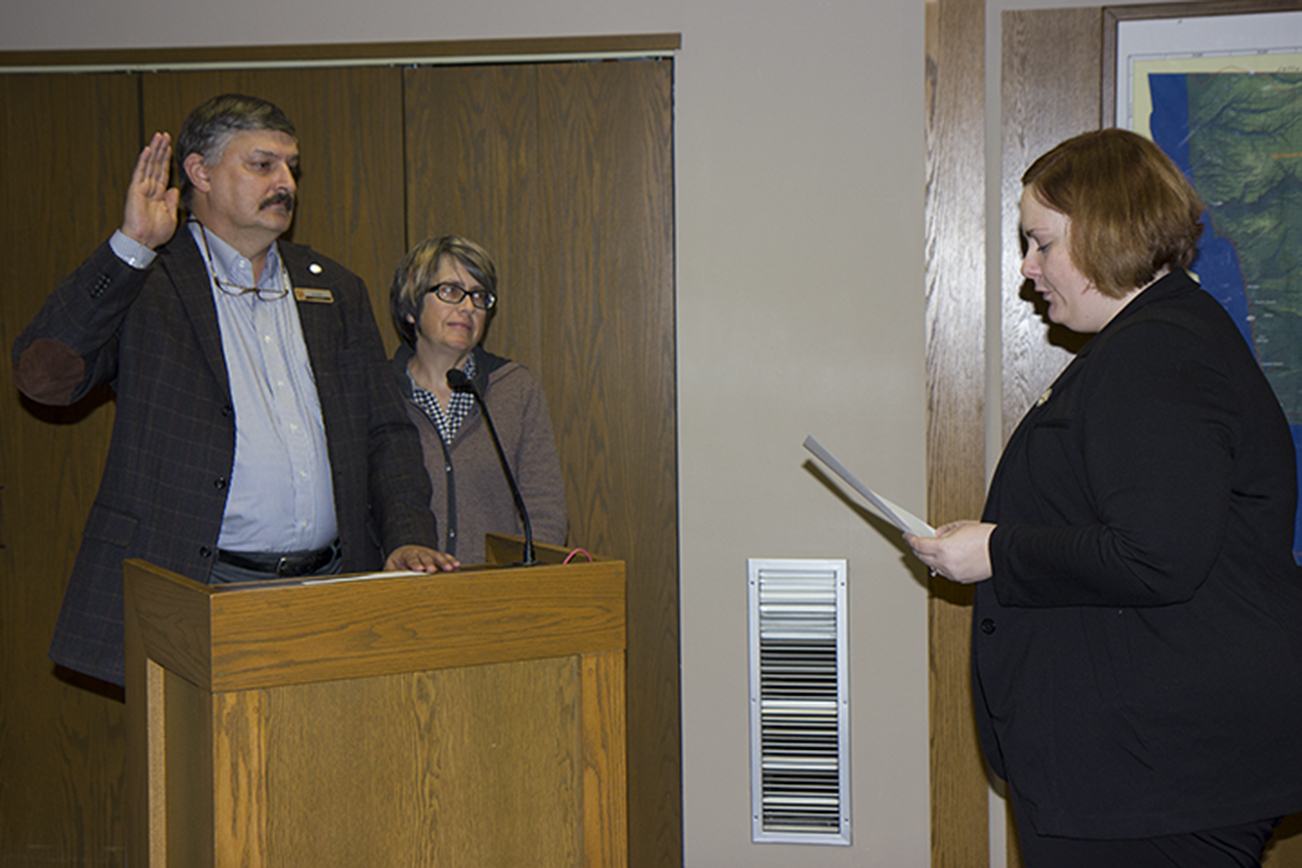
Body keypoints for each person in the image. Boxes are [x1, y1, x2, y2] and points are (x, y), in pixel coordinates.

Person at [908, 129, 1302, 866]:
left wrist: (994, 549)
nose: (1028, 269)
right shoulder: (1163, 341)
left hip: (1156, 781)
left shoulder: (1155, 354)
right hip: (1145, 772)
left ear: (1106, 229)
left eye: (1041, 243)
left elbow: (1156, 554)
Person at [13, 94, 456, 688]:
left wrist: (407, 537)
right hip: (203, 588)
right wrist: (130, 248)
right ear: (200, 173)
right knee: (214, 775)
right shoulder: (149, 281)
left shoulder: (334, 290)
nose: (286, 183)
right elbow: (44, 378)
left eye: (291, 167)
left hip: (330, 586)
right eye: (262, 164)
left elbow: (385, 433)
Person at [389, 235, 567, 565]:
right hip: (404, 599)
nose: (469, 307)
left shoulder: (515, 389)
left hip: (497, 599)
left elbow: (544, 509)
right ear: (411, 305)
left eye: (479, 296)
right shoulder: (380, 393)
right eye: (451, 291)